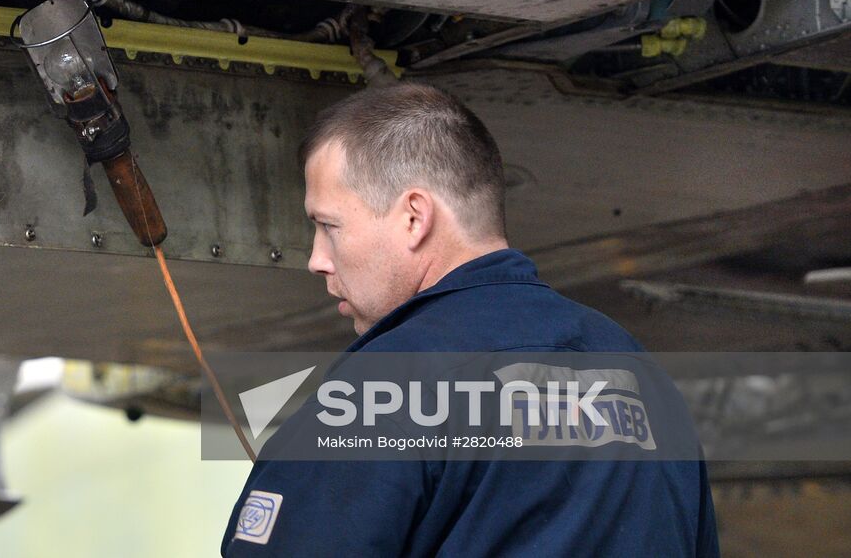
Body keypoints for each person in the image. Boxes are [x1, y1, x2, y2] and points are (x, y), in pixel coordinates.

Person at [221, 82, 719, 556]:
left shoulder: (384, 391)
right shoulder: (647, 381)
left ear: (414, 217)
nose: (317, 259)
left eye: (329, 226)